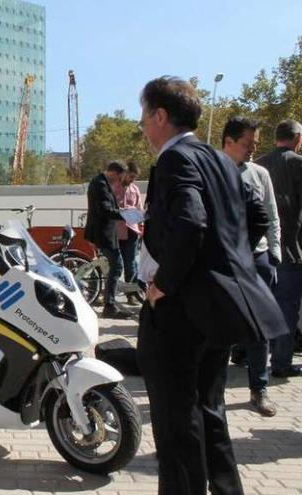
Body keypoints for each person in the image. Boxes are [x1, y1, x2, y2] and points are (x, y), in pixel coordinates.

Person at [137, 76, 286, 495]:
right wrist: (228, 260)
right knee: (211, 408)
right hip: (217, 309)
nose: (143, 126)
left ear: (161, 116)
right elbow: (254, 215)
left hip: (181, 310)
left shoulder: (175, 159)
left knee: (176, 418)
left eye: (144, 116)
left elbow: (190, 222)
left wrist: (163, 284)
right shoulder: (220, 160)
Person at [222, 116, 281, 416]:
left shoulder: (260, 174)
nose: (252, 150)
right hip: (223, 260)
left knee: (260, 328)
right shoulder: (212, 171)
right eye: (248, 144)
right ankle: (211, 391)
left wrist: (274, 251)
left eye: (256, 144)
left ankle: (259, 390)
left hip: (256, 259)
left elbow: (271, 213)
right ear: (229, 141)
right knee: (219, 328)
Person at [256, 119, 302, 378]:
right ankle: (281, 363)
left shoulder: (257, 165)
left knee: (258, 304)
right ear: (297, 138)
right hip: (291, 249)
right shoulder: (298, 164)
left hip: (258, 249)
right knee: (286, 308)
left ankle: (243, 352)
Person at [85, 160, 133, 319]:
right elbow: (105, 210)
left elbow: (108, 208)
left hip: (104, 233)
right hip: (103, 234)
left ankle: (109, 302)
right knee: (117, 266)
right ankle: (109, 306)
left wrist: (122, 211)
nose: (119, 182)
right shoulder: (100, 184)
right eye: (120, 178)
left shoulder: (101, 182)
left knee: (112, 266)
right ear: (113, 173)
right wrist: (125, 214)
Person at [110, 161, 143, 296]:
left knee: (131, 262)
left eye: (134, 177)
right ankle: (112, 292)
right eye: (131, 176)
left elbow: (140, 210)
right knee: (116, 263)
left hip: (132, 231)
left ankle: (132, 293)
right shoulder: (112, 188)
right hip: (116, 232)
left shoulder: (135, 189)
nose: (132, 180)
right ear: (124, 174)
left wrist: (141, 227)